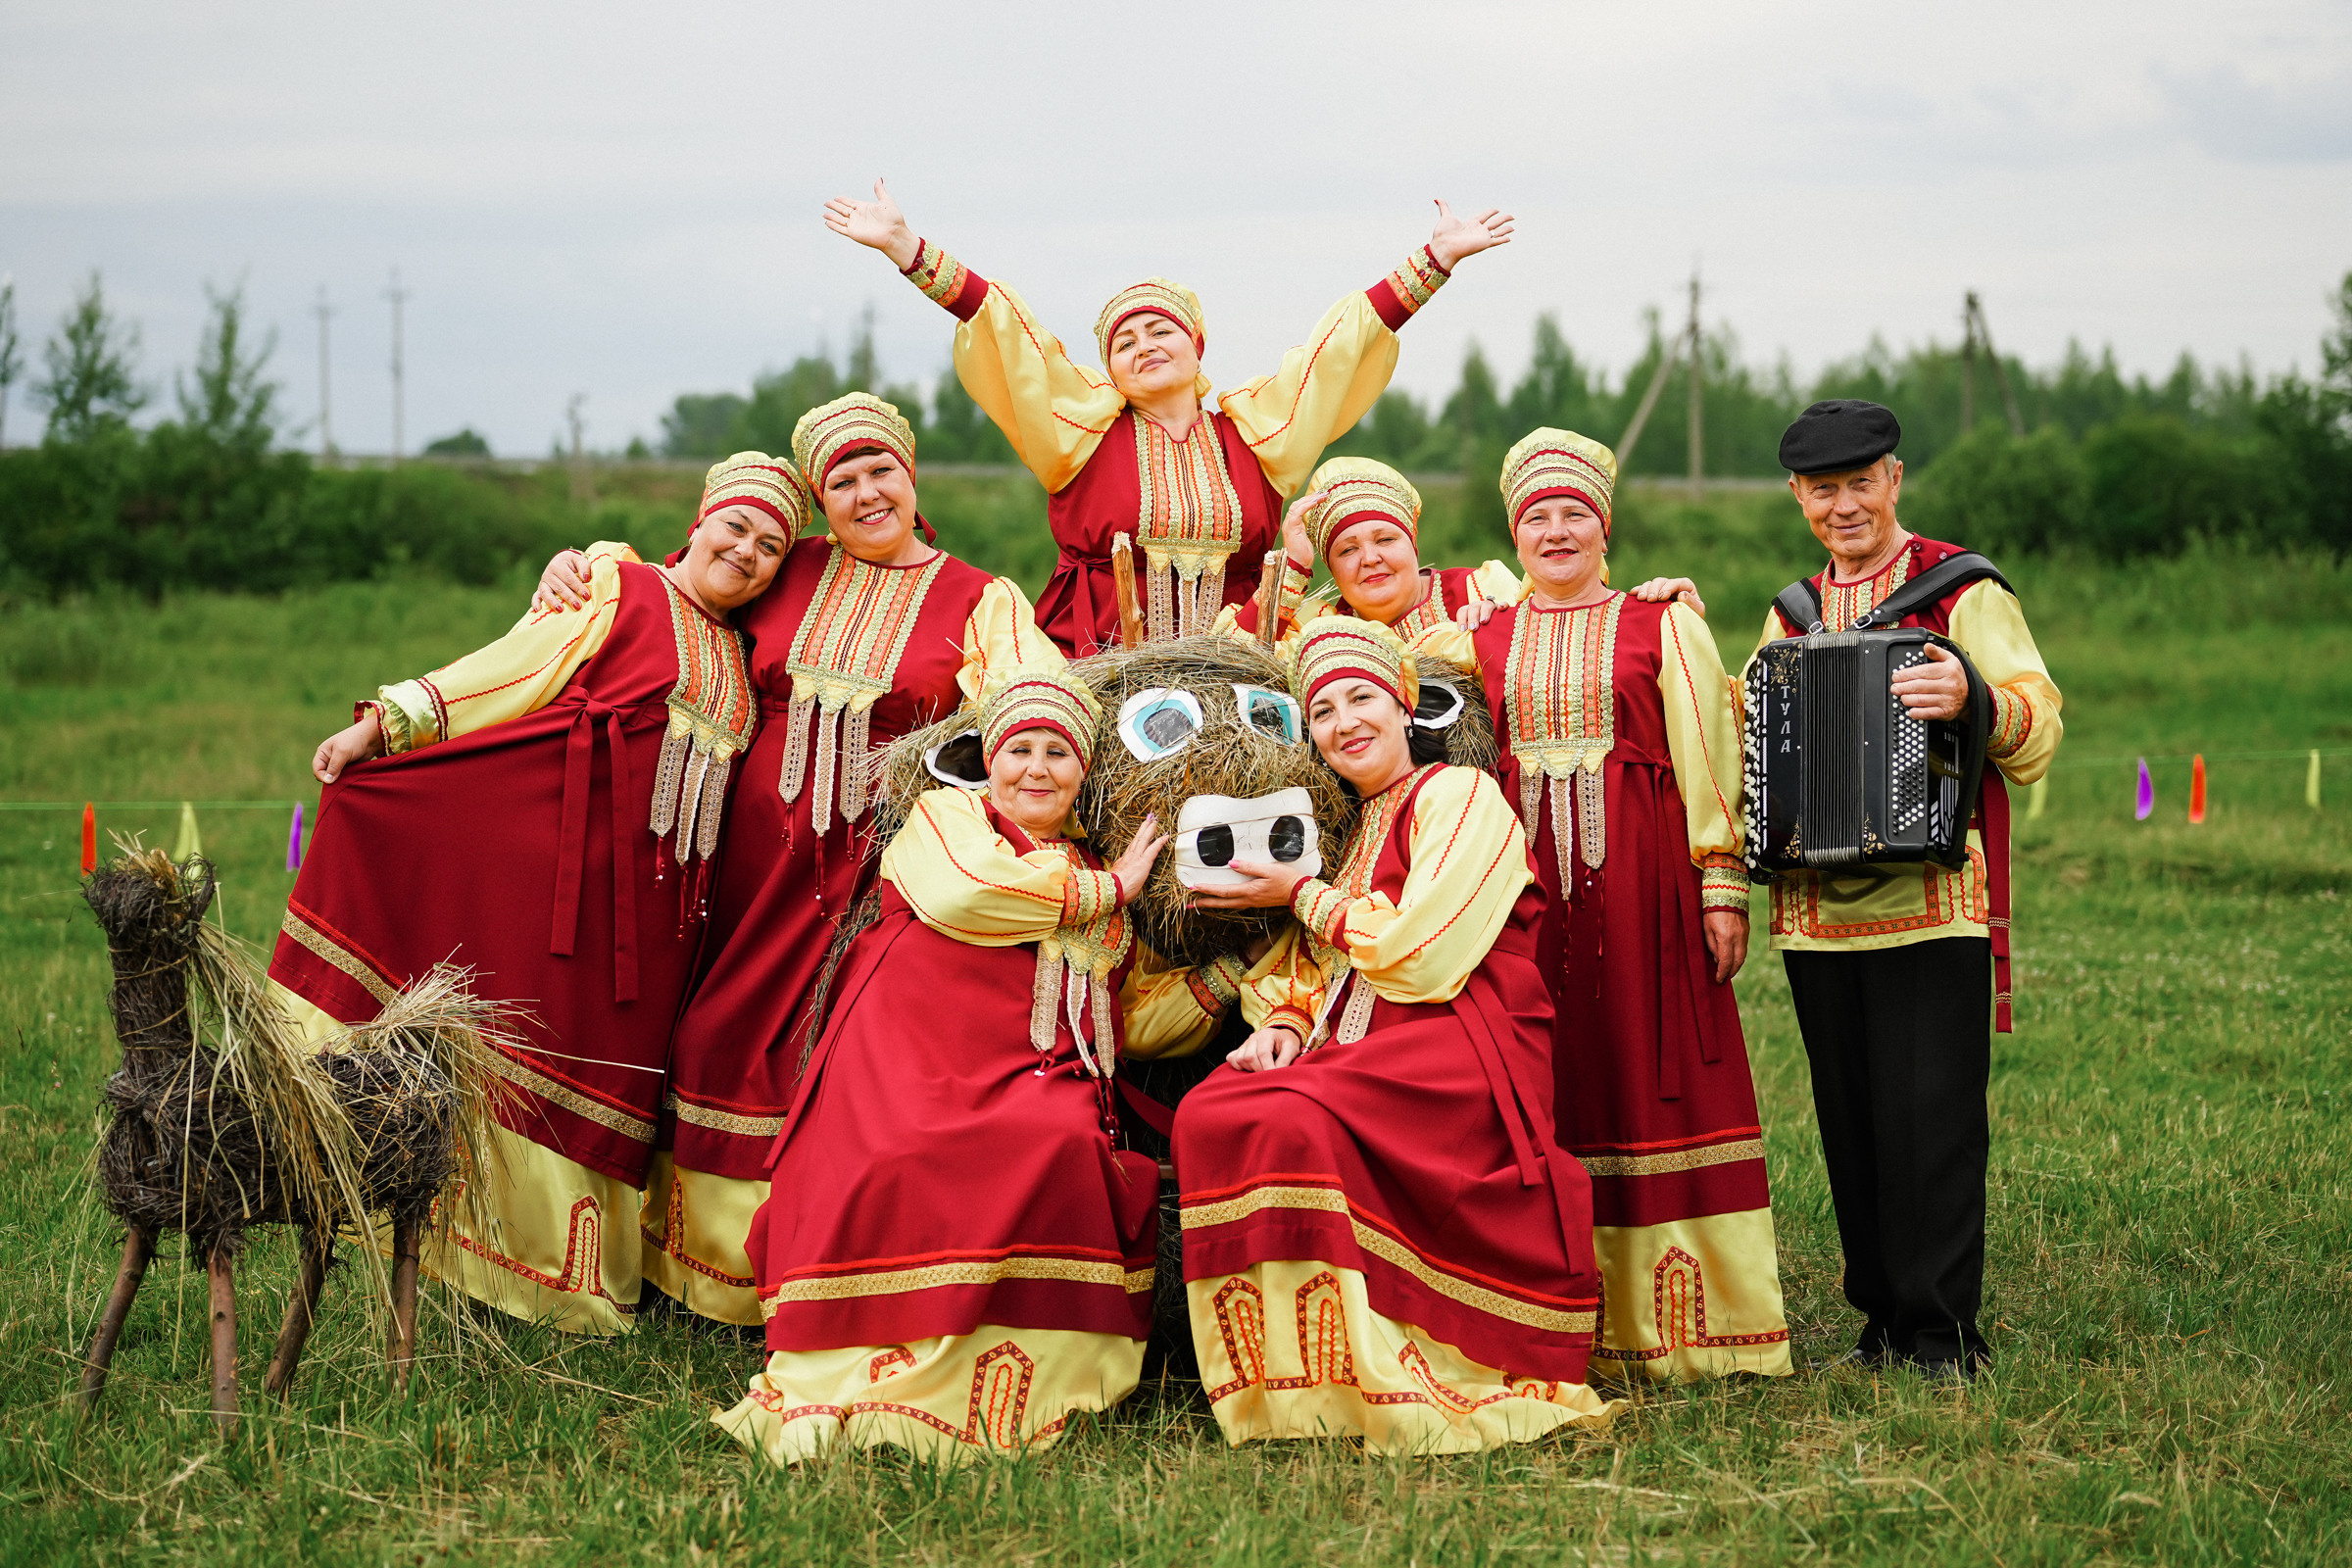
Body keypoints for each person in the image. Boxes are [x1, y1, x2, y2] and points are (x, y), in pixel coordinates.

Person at [534, 399, 1059, 1327]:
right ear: (821, 502)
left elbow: (1034, 704)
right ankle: (689, 1271)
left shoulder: (980, 598)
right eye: (841, 484)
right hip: (737, 854)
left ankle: (801, 1270)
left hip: (870, 866)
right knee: (704, 1032)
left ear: (911, 476)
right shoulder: (791, 568)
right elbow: (683, 582)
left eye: (879, 473)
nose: (865, 495)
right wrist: (587, 565)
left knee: (828, 1053)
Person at [270, 471, 793, 1334]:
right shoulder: (620, 585)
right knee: (520, 1031)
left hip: (653, 918)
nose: (746, 552)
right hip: (550, 857)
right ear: (698, 526)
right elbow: (509, 668)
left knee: (593, 1062)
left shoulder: (740, 657)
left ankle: (567, 1275)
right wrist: (387, 724)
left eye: (769, 547)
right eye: (736, 529)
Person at [713, 671, 1230, 1465]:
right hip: (909, 1058)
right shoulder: (948, 818)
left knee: (1058, 1141)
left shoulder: (1094, 869)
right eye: (1018, 749)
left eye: (1058, 752)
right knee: (908, 1149)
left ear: (1083, 773)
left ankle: (1008, 1381)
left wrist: (1228, 977)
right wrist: (1111, 886)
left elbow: (1121, 1022)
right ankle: (875, 1364)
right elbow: (963, 898)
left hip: (1032, 1075)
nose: (1036, 767)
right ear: (989, 762)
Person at [1162, 619, 1620, 1453]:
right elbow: (1315, 963)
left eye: (1362, 698)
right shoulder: (1349, 828)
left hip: (1455, 1037)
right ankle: (1288, 1381)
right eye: (1325, 710)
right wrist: (1289, 1024)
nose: (1345, 722)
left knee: (1297, 1119)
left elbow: (1421, 955)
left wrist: (1304, 893)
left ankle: (1382, 1364)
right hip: (1355, 1042)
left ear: (1405, 705)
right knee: (1213, 1111)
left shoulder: (1458, 795)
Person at [1430, 428, 1792, 1383]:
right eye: (1536, 517)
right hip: (1533, 896)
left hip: (1647, 884)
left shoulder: (1662, 622)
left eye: (1574, 514)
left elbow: (1707, 748)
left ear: (1604, 526)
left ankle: (1694, 1322)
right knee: (1554, 1074)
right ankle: (1560, 1310)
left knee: (1652, 1069)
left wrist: (1723, 887)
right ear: (1514, 535)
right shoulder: (1481, 639)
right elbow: (1369, 651)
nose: (1556, 530)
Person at [823, 178, 1514, 653]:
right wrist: (906, 250)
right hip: (1101, 662)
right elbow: (1005, 328)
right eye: (1124, 342)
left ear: (1197, 346)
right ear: (1110, 369)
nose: (1144, 346)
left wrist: (1437, 259)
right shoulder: (1079, 434)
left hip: (1242, 666)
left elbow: (1338, 350)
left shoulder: (1256, 433)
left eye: (1162, 332)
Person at [1750, 399, 2062, 1378]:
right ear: (1800, 496)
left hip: (1931, 908)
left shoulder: (1960, 589)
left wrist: (1971, 693)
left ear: (1893, 479)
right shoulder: (1790, 612)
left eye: (1861, 483)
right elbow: (1760, 734)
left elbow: (2041, 720)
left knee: (1931, 1126)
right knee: (1853, 1129)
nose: (1844, 505)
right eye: (1823, 489)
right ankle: (1881, 1325)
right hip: (1816, 919)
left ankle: (1942, 1335)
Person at [1218, 455, 1519, 645]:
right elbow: (1235, 656)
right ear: (1332, 571)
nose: (1370, 559)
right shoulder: (1324, 628)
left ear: (1413, 546)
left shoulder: (1478, 589)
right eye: (1348, 551)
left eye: (1386, 540)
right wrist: (1294, 567)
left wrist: (1498, 626)